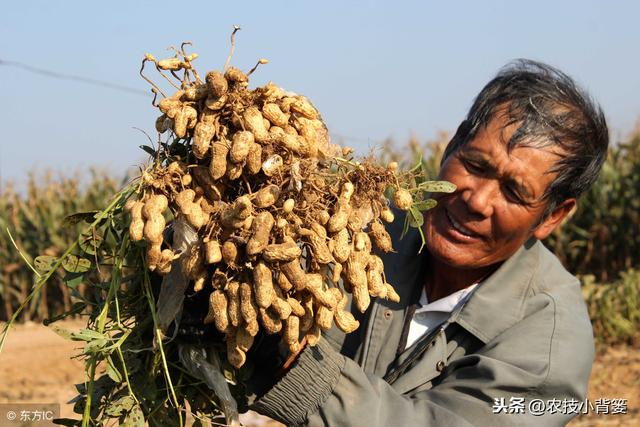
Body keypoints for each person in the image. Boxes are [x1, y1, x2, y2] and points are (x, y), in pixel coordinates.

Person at [246, 59, 609, 426]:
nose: (477, 201)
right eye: (476, 165)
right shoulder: (368, 235)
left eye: (514, 192)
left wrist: (292, 369)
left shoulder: (550, 339)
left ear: (552, 216)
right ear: (452, 145)